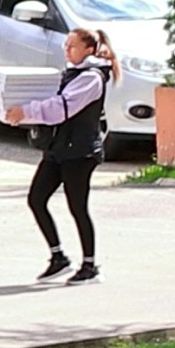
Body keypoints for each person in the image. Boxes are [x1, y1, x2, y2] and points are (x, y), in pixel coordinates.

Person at [25, 22, 114, 285]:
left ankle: (90, 266)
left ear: (88, 49)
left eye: (73, 46)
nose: (67, 49)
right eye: (66, 44)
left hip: (80, 153)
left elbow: (62, 108)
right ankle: (58, 257)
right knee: (36, 198)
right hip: (58, 149)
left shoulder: (92, 78)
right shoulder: (72, 73)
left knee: (78, 207)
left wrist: (28, 111)